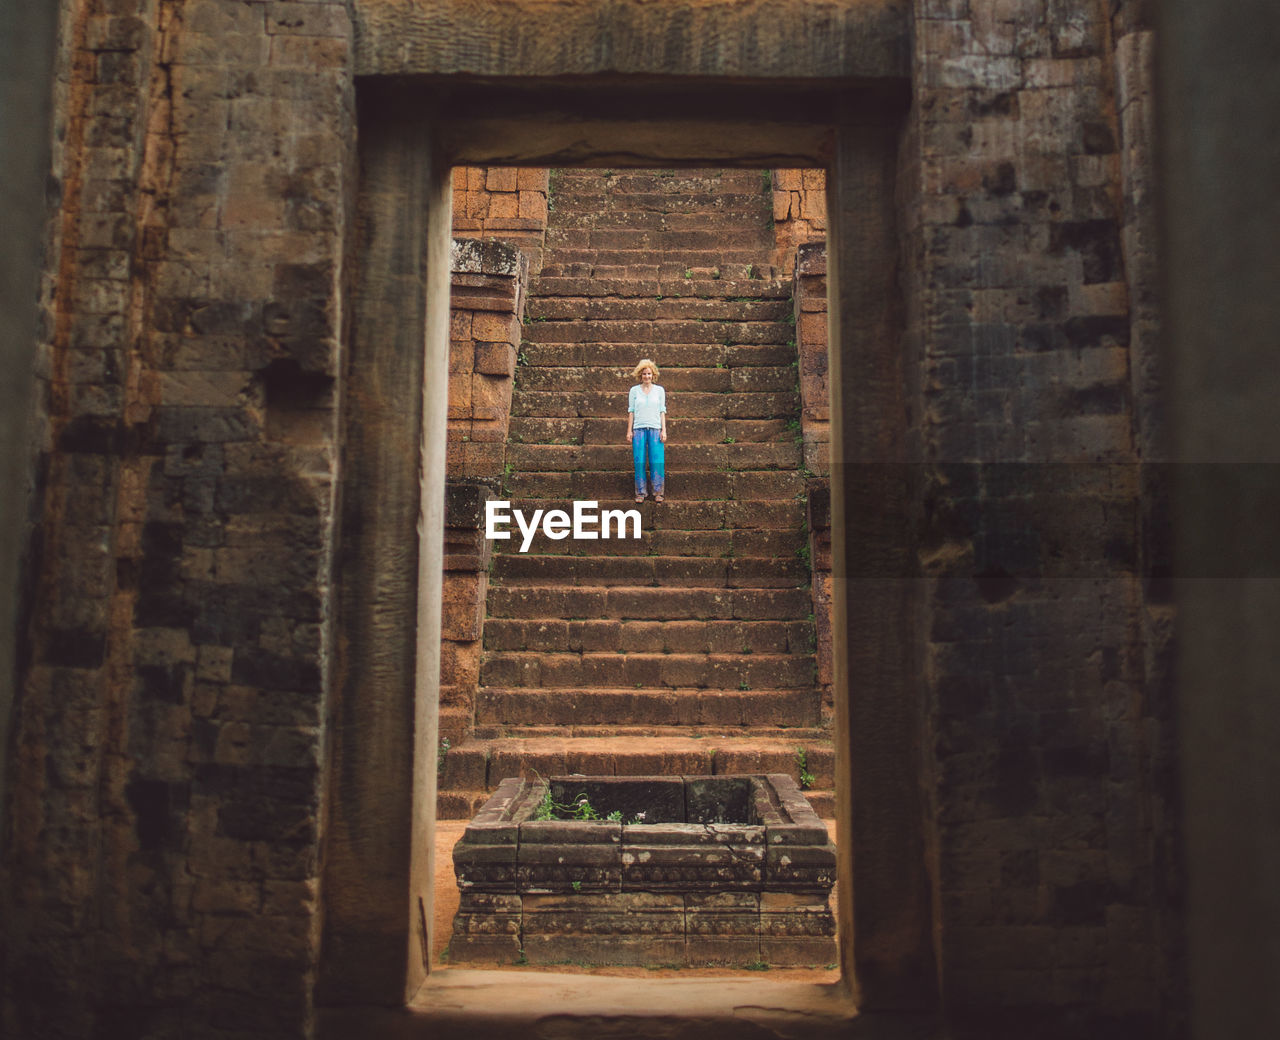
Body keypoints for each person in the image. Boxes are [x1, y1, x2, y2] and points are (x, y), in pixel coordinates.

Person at [626, 358, 667, 503]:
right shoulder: (634, 391)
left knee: (657, 461)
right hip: (638, 429)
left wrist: (664, 430)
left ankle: (658, 492)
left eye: (649, 374)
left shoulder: (659, 390)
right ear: (640, 375)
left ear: (653, 375)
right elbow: (631, 411)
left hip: (655, 428)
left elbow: (662, 411)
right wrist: (629, 431)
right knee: (639, 461)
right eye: (644, 374)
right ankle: (641, 492)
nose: (647, 376)